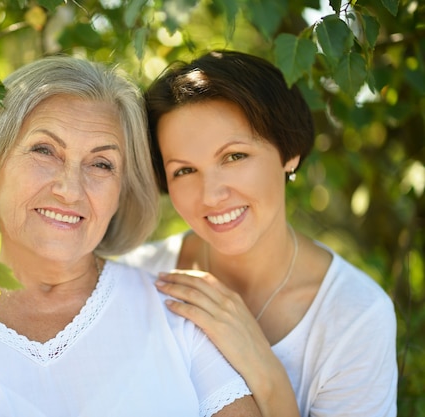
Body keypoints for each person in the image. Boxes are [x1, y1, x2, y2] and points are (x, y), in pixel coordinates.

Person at [0, 50, 398, 416]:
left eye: (102, 164)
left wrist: (267, 373)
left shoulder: (182, 306)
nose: (70, 188)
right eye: (44, 150)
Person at [119, 50, 398, 416]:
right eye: (185, 171)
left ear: (289, 151)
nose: (212, 195)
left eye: (234, 156)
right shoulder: (137, 276)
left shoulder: (355, 318)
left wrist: (265, 372)